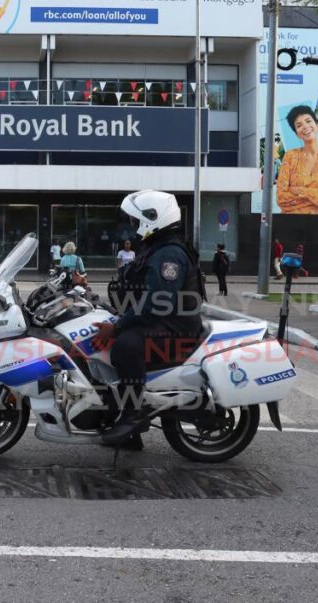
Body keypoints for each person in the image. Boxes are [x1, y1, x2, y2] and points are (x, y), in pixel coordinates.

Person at [92, 190, 204, 445]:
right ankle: (122, 422)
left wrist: (118, 326)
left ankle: (133, 415)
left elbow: (155, 301)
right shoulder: (157, 247)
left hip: (175, 328)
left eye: (135, 220)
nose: (132, 226)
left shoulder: (169, 254)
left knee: (125, 346)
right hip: (162, 322)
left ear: (153, 218)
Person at [275, 105, 318, 214]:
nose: (305, 126)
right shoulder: (290, 156)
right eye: (299, 125)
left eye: (308, 121)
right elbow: (281, 198)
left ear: (317, 125)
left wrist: (298, 190)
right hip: (289, 223)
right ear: (297, 133)